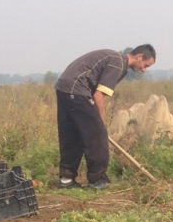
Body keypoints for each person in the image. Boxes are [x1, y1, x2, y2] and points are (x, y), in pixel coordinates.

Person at [54, 45, 156, 188]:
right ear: (139, 57)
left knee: (72, 135)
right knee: (97, 136)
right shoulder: (118, 63)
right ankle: (97, 180)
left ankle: (66, 179)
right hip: (77, 90)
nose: (144, 70)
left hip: (63, 88)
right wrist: (100, 123)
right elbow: (99, 95)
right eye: (145, 65)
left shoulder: (114, 58)